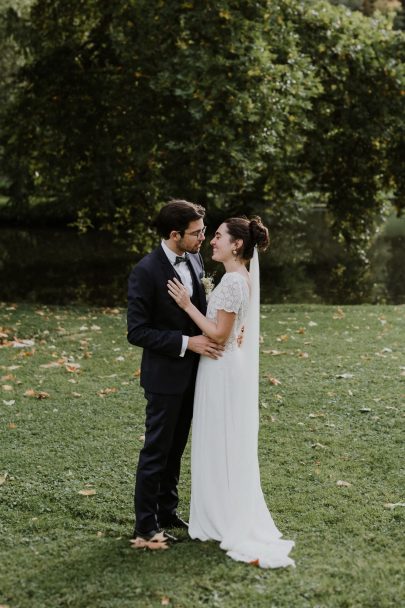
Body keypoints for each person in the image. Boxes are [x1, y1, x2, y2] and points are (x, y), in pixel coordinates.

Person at [167, 216, 295, 568]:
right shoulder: (239, 278)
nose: (213, 241)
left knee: (218, 439)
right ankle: (217, 512)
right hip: (225, 365)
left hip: (220, 367)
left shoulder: (234, 282)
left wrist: (186, 305)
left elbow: (220, 334)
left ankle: (219, 519)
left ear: (237, 244)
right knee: (221, 440)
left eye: (219, 236)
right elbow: (233, 328)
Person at [127, 200, 224, 544]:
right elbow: (136, 331)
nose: (203, 238)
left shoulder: (195, 257)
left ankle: (167, 510)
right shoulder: (146, 271)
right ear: (174, 234)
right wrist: (188, 342)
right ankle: (145, 523)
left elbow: (197, 308)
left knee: (177, 447)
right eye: (197, 233)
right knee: (157, 449)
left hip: (195, 375)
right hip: (165, 377)